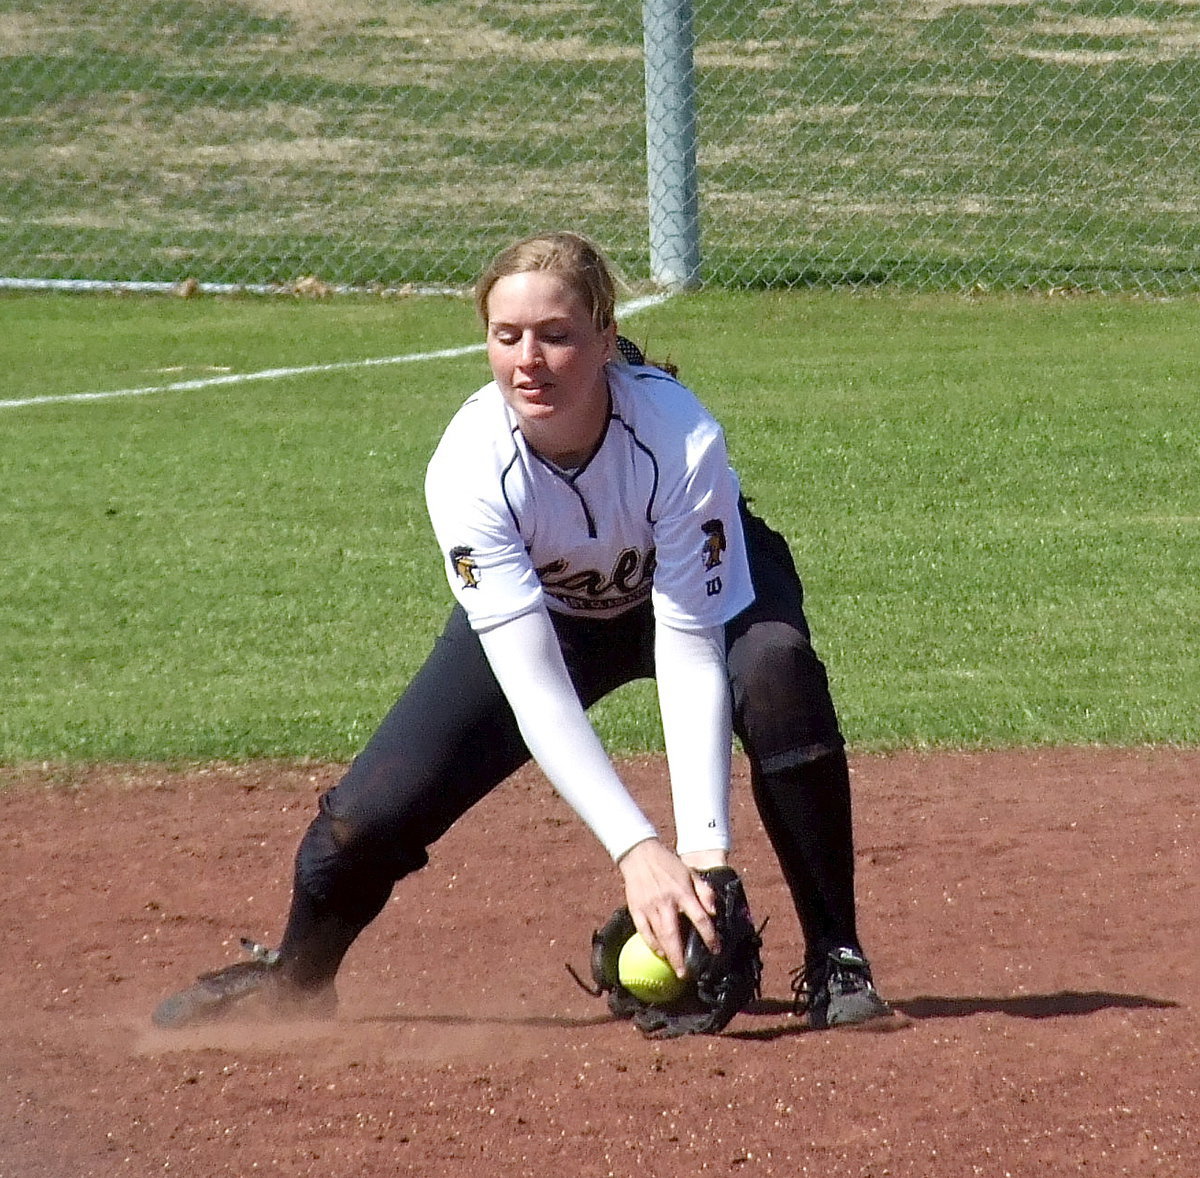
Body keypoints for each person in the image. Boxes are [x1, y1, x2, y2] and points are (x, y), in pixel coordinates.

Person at [152, 231, 892, 1033]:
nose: (528, 360)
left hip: (695, 604)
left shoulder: (678, 439)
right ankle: (295, 980)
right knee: (362, 821)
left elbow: (687, 644)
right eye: (507, 337)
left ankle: (836, 960)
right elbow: (535, 686)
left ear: (607, 338)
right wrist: (638, 850)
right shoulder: (470, 466)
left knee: (776, 665)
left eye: (556, 335)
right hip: (555, 626)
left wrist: (704, 856)